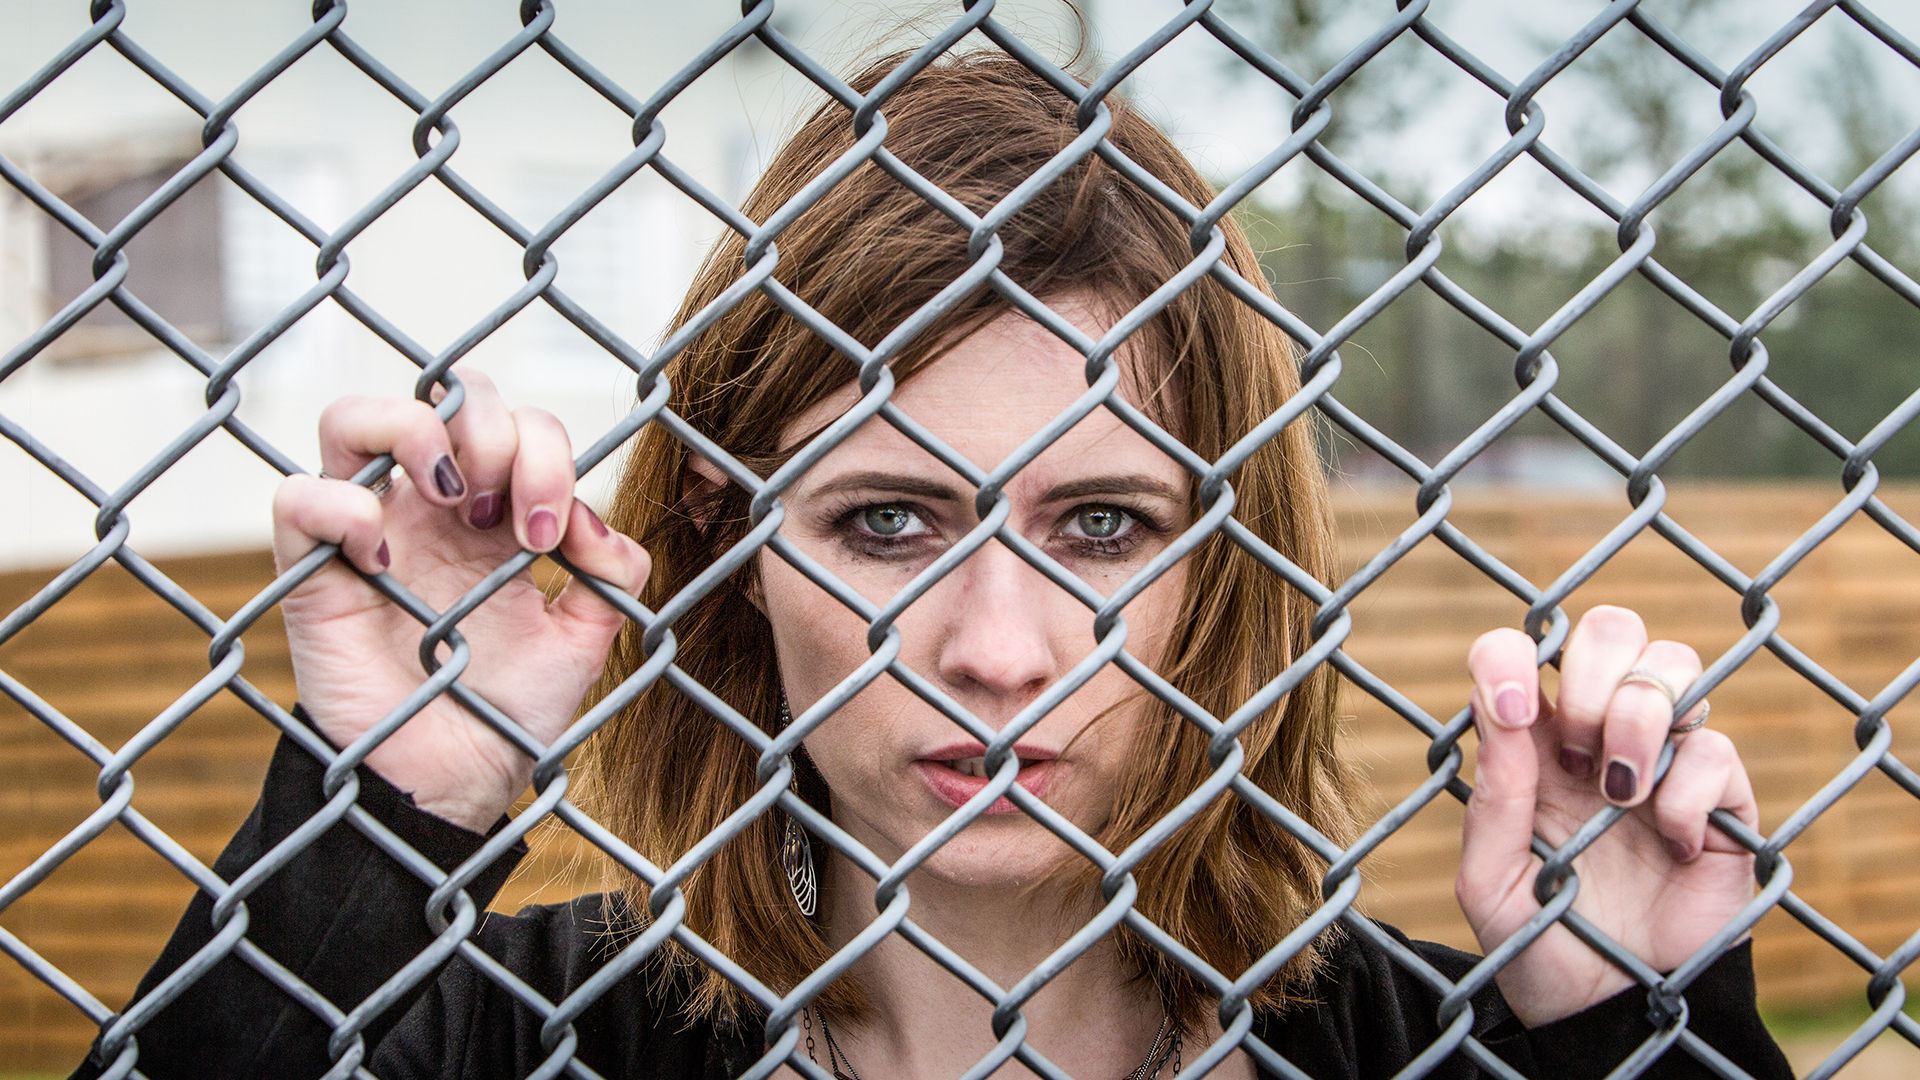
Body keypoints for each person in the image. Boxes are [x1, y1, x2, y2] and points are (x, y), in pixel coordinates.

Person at [76, 50, 1790, 1080]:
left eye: (1102, 525)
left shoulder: (1429, 1048)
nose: (996, 647)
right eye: (887, 522)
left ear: (1227, 566)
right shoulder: (518, 1035)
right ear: (733, 544)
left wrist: (1636, 1028)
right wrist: (383, 808)